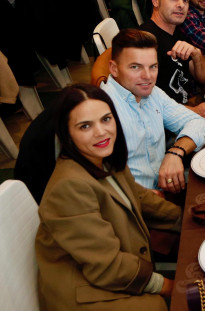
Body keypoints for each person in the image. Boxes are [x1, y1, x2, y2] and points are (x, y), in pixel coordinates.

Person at [36, 84, 181, 311]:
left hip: (104, 269)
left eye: (106, 119)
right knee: (158, 305)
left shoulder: (104, 158)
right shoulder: (69, 187)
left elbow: (140, 198)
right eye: (85, 126)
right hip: (81, 291)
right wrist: (166, 285)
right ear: (67, 134)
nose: (101, 132)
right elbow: (107, 265)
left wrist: (186, 220)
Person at [101, 29, 205, 192]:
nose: (147, 76)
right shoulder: (101, 110)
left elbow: (197, 122)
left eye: (153, 67)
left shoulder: (152, 93)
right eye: (135, 67)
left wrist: (175, 152)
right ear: (114, 69)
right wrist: (143, 200)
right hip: (137, 205)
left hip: (166, 187)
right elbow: (98, 183)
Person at [140, 0, 205, 120]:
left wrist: (197, 54)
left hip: (189, 108)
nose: (181, 5)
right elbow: (144, 104)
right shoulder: (145, 43)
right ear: (156, 1)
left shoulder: (178, 31)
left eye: (185, 0)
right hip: (169, 127)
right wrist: (194, 112)